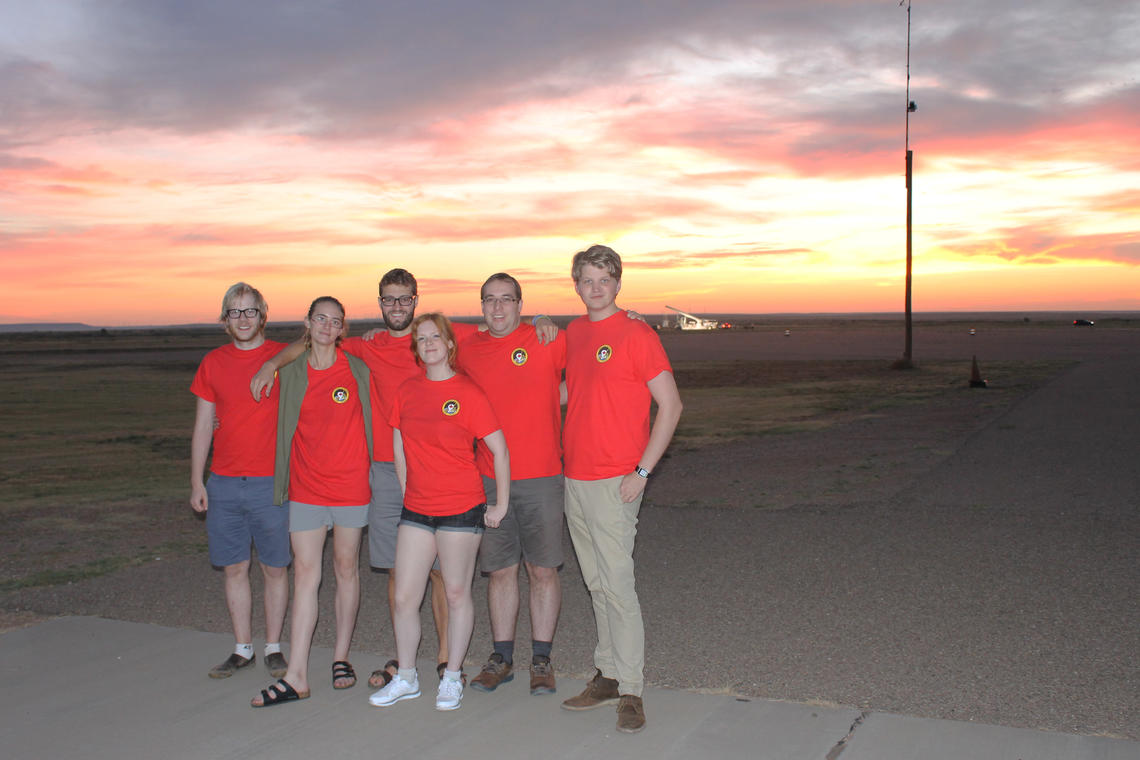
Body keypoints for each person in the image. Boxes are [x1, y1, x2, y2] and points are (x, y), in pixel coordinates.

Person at [251, 268, 556, 690]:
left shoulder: (442, 335)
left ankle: (449, 658)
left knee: (444, 575)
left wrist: (540, 319)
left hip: (439, 469)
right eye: (389, 300)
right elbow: (312, 341)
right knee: (400, 567)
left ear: (416, 300)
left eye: (404, 299)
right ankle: (404, 658)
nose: (397, 307)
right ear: (379, 304)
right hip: (385, 471)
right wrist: (271, 362)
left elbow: (499, 324)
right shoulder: (366, 344)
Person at [559, 245, 683, 734]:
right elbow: (573, 390)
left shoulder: (637, 333)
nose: (595, 288)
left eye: (604, 279)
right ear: (576, 285)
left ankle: (631, 688)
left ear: (617, 283)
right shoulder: (574, 332)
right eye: (587, 280)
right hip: (576, 477)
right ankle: (608, 674)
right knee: (596, 584)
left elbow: (670, 407)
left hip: (617, 481)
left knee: (619, 586)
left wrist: (643, 471)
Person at [368, 313, 509, 712]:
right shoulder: (408, 390)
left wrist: (500, 504)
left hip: (461, 509)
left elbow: (499, 450)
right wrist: (405, 485)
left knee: (457, 592)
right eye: (421, 338)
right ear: (416, 347)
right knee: (404, 598)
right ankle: (407, 676)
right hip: (417, 509)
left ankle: (451, 677)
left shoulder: (468, 391)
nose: (428, 343)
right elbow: (398, 442)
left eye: (435, 337)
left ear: (449, 344)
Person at [251, 296, 372, 707]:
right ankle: (297, 673)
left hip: (352, 486)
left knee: (345, 568)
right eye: (319, 318)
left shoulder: (356, 369)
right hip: (306, 488)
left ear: (343, 329)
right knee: (306, 574)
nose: (326, 326)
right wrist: (269, 364)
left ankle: (341, 657)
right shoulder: (292, 370)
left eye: (334, 321)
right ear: (308, 322)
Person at [456, 273, 567, 696]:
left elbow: (595, 366)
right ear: (481, 305)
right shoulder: (467, 345)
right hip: (488, 478)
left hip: (541, 476)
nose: (498, 308)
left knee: (542, 570)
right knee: (500, 571)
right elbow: (418, 335)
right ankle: (502, 658)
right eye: (490, 300)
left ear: (521, 304)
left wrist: (552, 400)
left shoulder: (548, 338)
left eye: (507, 300)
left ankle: (542, 658)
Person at [190, 282, 291, 680]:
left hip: (272, 482)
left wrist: (273, 364)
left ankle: (274, 647)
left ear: (263, 315)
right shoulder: (213, 362)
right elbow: (202, 426)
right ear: (224, 320)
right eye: (235, 311)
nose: (243, 318)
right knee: (235, 568)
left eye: (250, 311)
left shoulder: (283, 357)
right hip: (225, 483)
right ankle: (242, 648)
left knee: (275, 568)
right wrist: (197, 481)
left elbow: (310, 342)